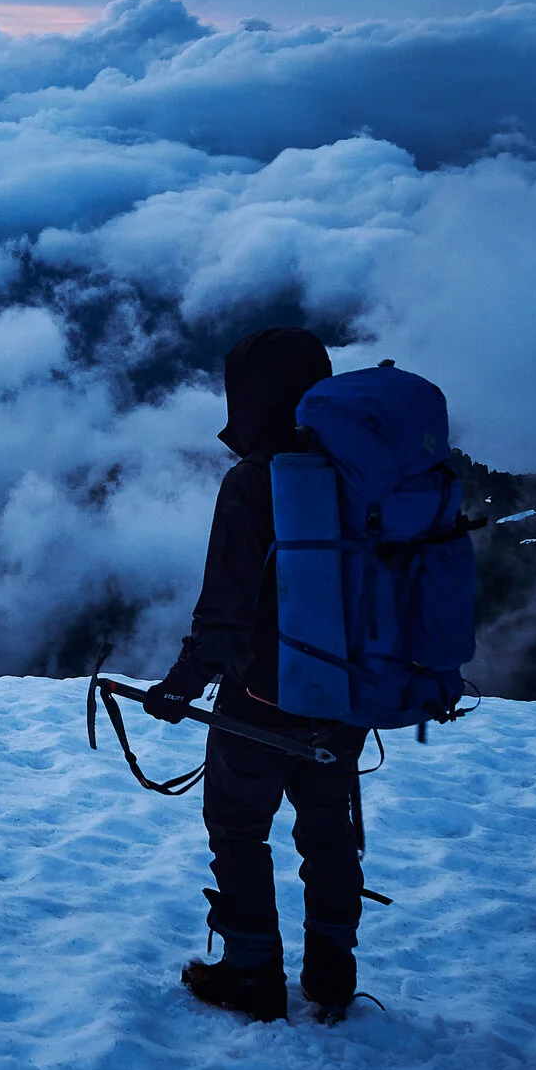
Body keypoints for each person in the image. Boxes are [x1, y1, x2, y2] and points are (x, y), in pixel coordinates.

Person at [144, 326, 364, 1024]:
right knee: (328, 830)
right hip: (345, 693)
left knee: (238, 827)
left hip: (259, 698)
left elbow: (226, 609)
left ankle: (251, 973)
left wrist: (182, 682)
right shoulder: (359, 471)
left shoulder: (253, 481)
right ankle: (332, 975)